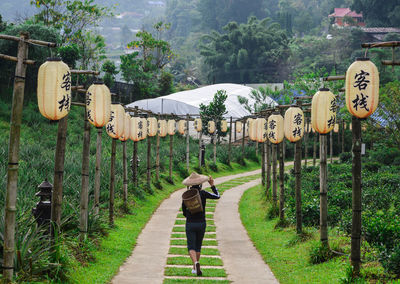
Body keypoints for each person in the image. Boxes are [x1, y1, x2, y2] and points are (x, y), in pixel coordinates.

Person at [182, 172, 220, 276]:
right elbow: (217, 196)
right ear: (201, 184)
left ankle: (195, 264)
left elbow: (184, 212)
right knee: (198, 246)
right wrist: (212, 185)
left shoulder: (186, 196)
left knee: (191, 247)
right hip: (201, 223)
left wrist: (189, 216)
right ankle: (195, 266)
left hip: (190, 223)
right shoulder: (203, 193)